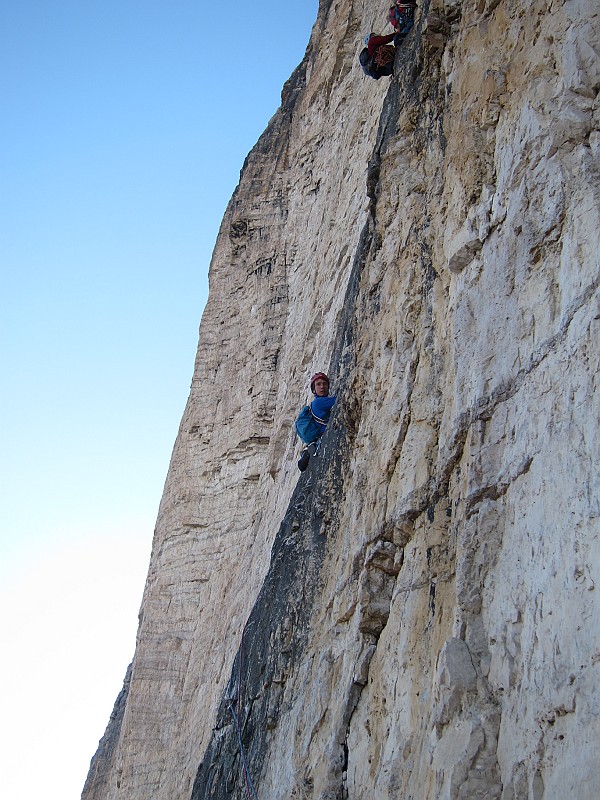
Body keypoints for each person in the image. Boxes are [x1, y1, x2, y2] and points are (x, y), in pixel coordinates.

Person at [296, 373, 336, 472]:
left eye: (324, 384)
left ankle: (307, 451)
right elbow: (340, 399)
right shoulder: (320, 402)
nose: (322, 386)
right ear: (314, 390)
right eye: (318, 384)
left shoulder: (314, 403)